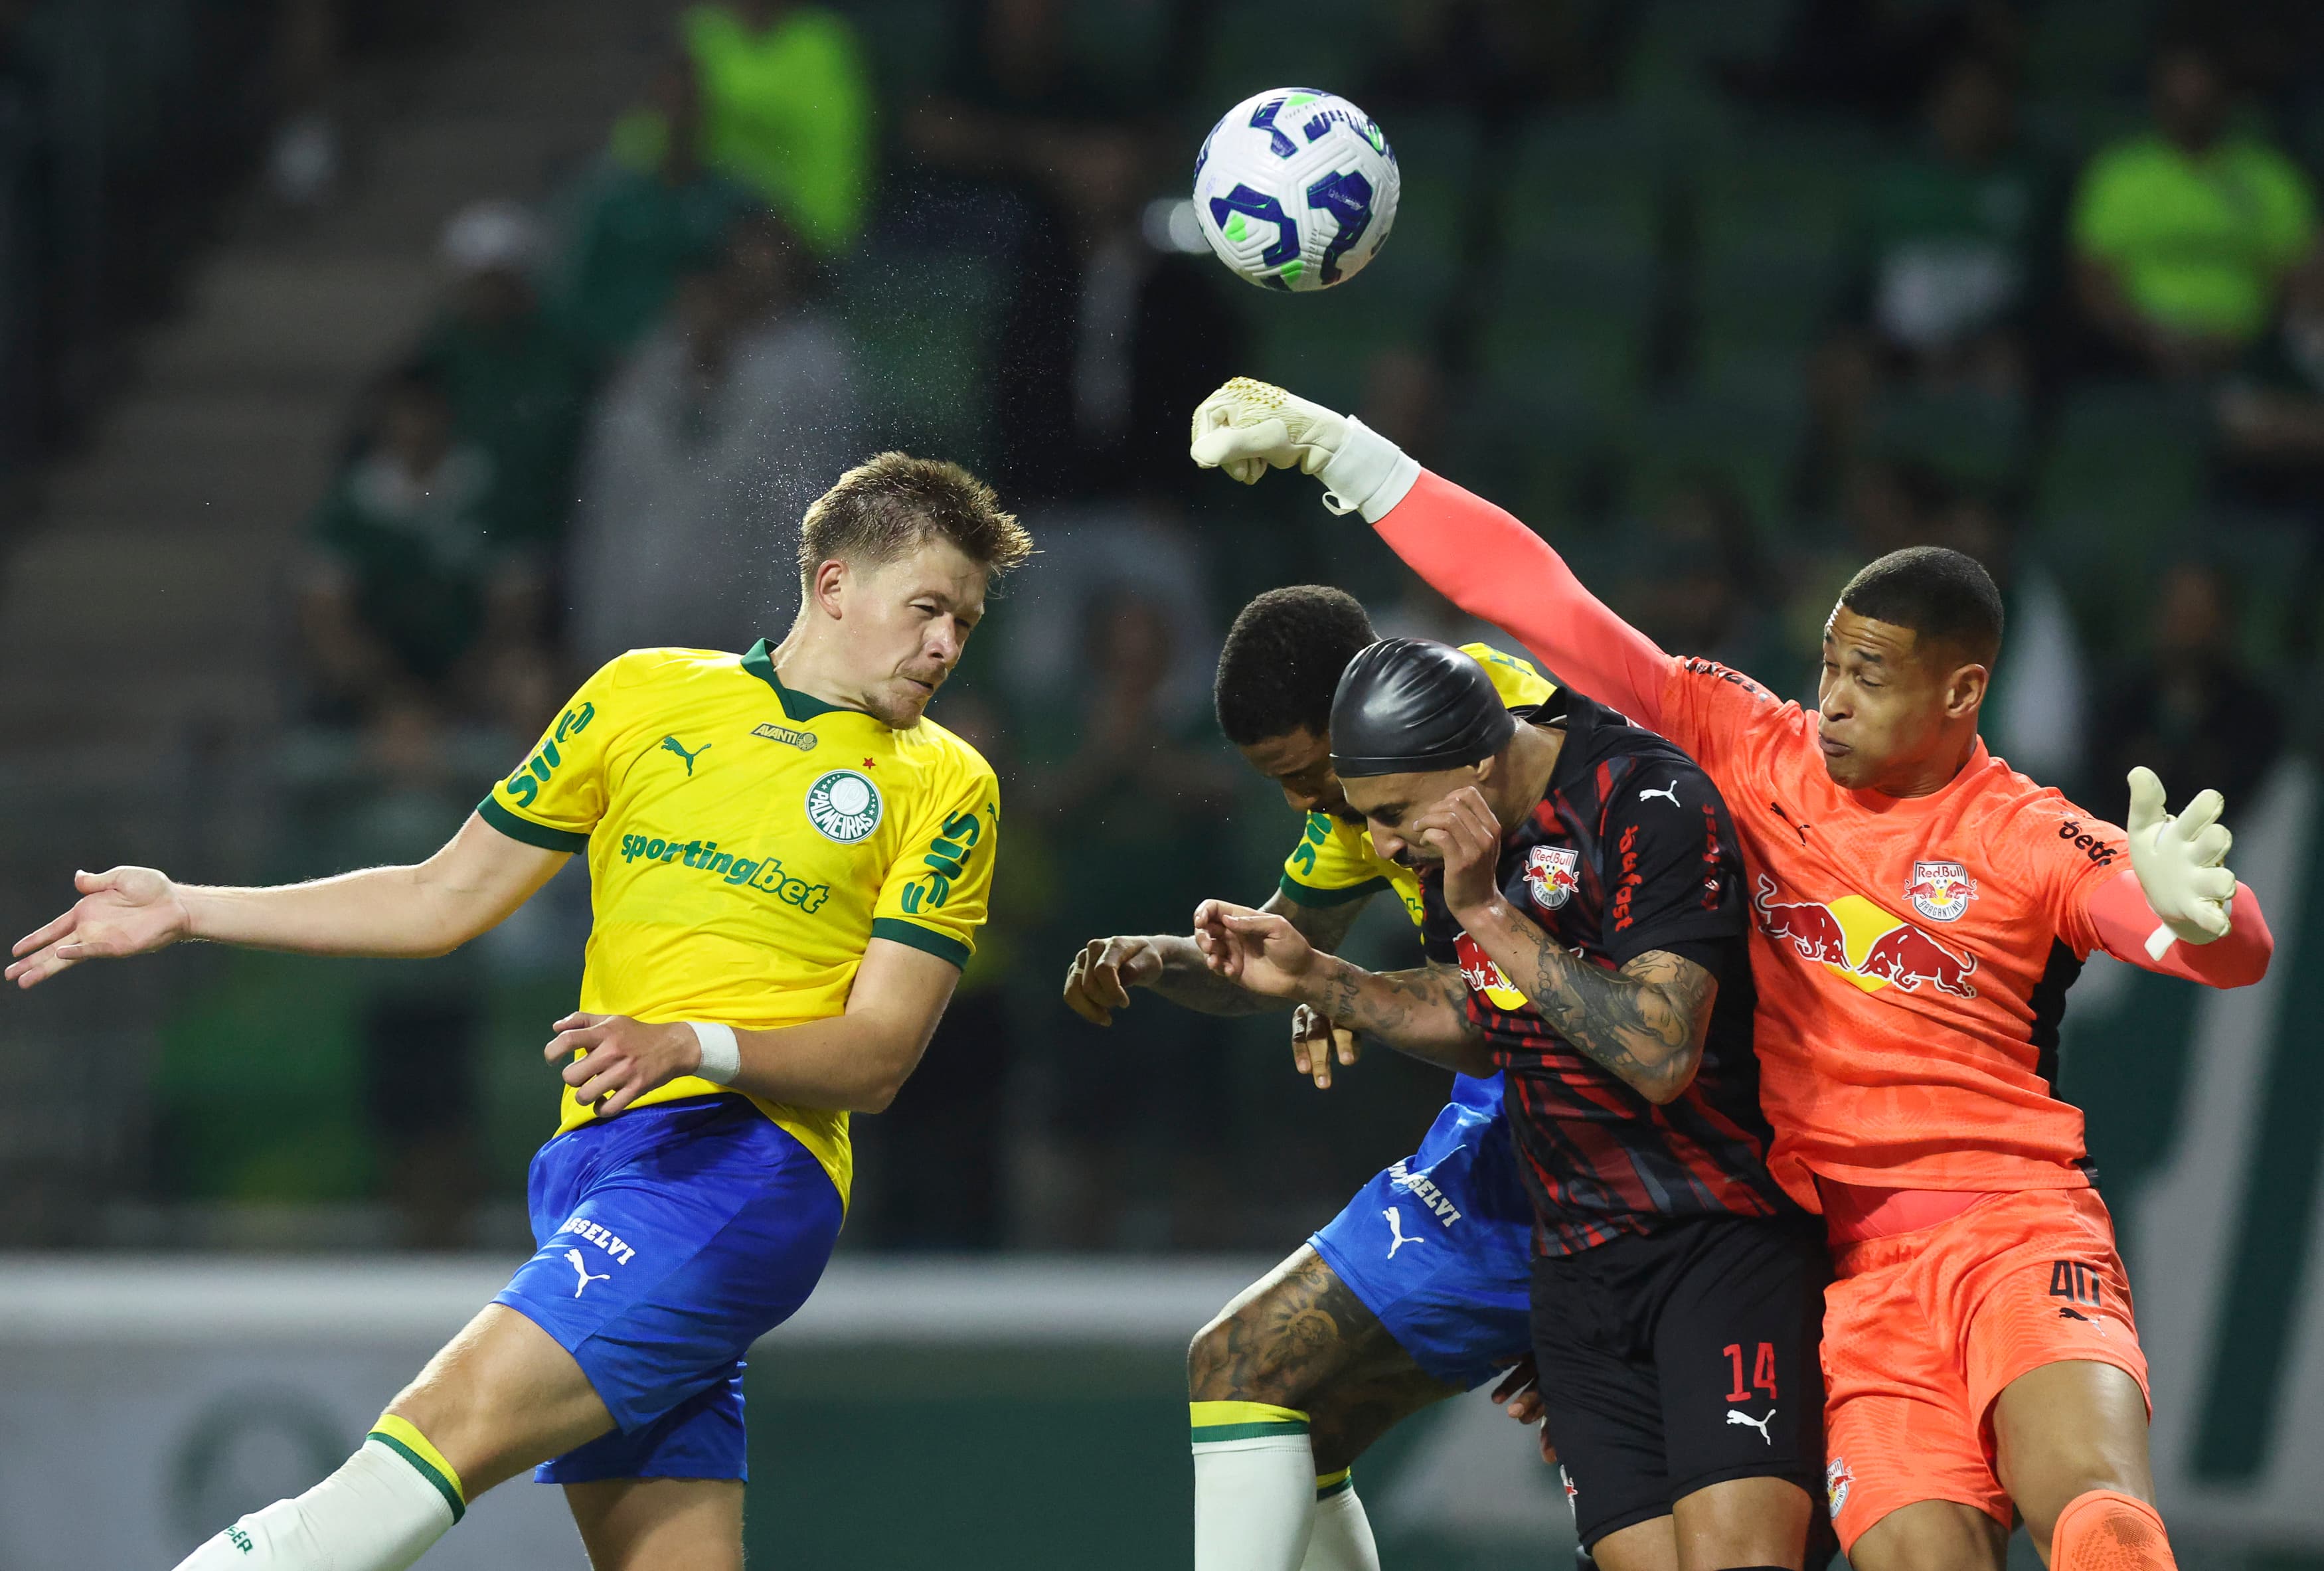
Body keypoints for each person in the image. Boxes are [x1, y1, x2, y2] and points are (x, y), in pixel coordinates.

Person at [1187, 376, 2276, 1570]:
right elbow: (1536, 600)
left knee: (2097, 1516)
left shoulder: (2023, 834)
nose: (1834, 699)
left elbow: (2216, 943)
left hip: (2010, 1222)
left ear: (1963, 692)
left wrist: (2200, 916)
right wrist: (1343, 451)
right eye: (1829, 664)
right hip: (1849, 1272)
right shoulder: (1753, 748)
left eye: (1871, 676)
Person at [9, 454, 1032, 1571]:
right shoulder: (641, 695)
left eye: (965, 626)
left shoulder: (945, 783)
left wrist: (694, 1043)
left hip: (744, 1171)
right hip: (593, 1169)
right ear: (835, 586)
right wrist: (189, 907)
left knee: (428, 1438)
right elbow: (441, 897)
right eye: (927, 609)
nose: (945, 646)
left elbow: (879, 1057)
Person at [1191, 637, 1829, 1571]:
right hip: (1575, 1274)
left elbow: (1659, 1049)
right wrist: (1319, 976)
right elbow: (1490, 1015)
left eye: (1394, 814)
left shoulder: (1648, 799)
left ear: (1478, 758)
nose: (1383, 845)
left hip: (1716, 1247)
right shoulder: (1457, 837)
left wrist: (1488, 908)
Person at [1062, 586, 1553, 1570]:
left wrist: (1350, 990)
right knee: (1268, 1389)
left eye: (1307, 771)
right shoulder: (1359, 806)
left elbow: (1543, 993)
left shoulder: (1514, 733)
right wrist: (1165, 959)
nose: (1304, 805)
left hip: (1611, 1144)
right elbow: (1284, 953)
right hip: (1511, 1128)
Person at [2071, 39, 2319, 379]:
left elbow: (2304, 277)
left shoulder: (2272, 179)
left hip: (2252, 350)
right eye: (2179, 98)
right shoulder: (2119, 176)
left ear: (2225, 98)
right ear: (2158, 100)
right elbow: (2093, 281)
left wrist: (2256, 340)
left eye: (2202, 96)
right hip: (2138, 351)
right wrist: (2154, 339)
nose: (2191, 106)